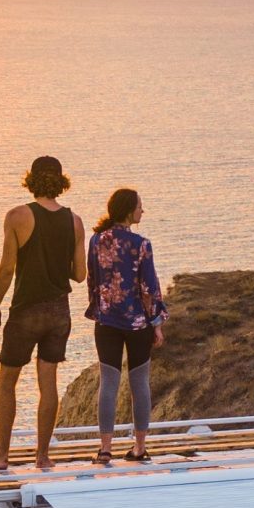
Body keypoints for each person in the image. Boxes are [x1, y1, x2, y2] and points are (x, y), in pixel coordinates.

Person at [0, 155, 83, 470]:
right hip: (59, 312)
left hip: (26, 312)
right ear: (61, 181)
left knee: (8, 380)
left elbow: (7, 268)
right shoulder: (74, 221)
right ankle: (42, 456)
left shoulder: (17, 217)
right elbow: (79, 275)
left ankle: (0, 453)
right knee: (47, 382)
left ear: (32, 179)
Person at [83, 186, 167, 463]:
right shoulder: (141, 244)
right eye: (140, 205)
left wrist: (99, 309)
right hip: (138, 323)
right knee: (139, 383)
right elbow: (149, 287)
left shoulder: (96, 241)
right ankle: (139, 448)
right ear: (130, 211)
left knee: (108, 382)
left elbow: (92, 280)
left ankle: (105, 449)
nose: (143, 210)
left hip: (106, 320)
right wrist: (156, 322)